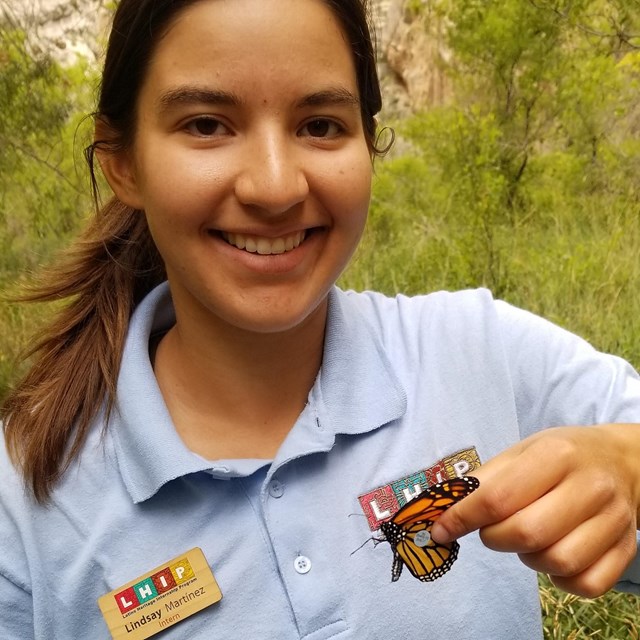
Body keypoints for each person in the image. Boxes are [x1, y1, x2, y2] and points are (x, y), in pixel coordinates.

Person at [1, 0, 639, 637]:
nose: (275, 187)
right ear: (123, 162)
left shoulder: (482, 355)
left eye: (320, 126)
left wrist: (624, 466)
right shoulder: (23, 497)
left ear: (370, 145)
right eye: (205, 124)